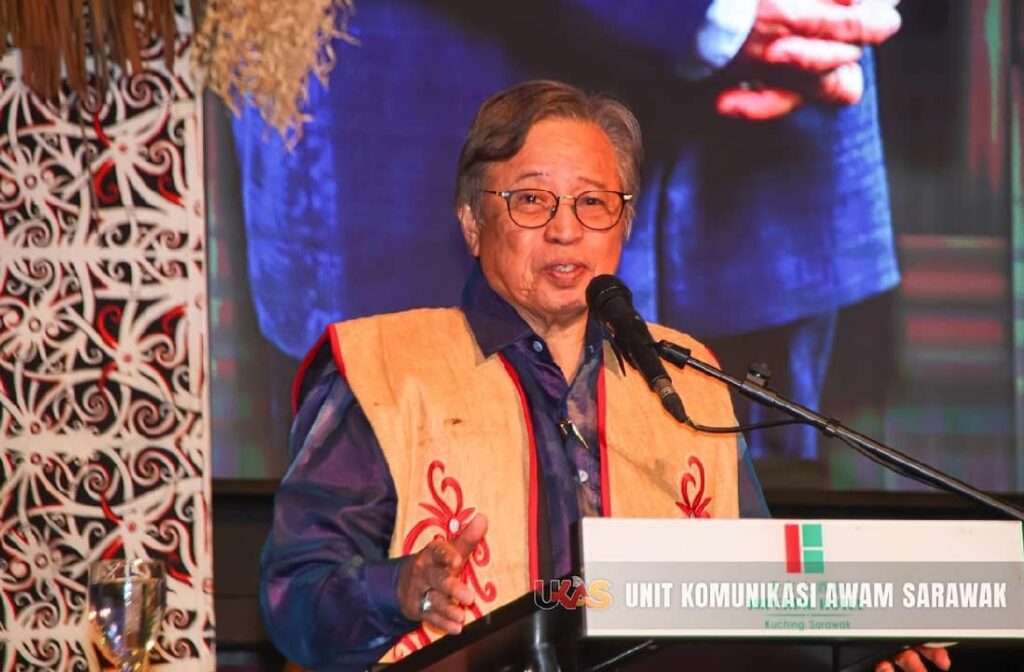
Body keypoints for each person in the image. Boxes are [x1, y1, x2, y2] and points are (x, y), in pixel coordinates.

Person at [260, 81, 948, 672]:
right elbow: (294, 598)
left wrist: (857, 651)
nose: (566, 229)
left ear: (624, 223)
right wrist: (400, 588)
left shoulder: (688, 379)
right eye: (532, 200)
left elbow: (761, 606)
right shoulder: (383, 367)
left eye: (593, 203)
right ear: (472, 222)